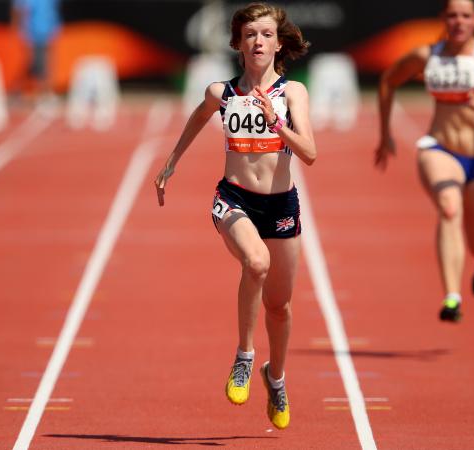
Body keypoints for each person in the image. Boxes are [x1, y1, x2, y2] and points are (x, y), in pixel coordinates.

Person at [154, 2, 315, 429]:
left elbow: (311, 154)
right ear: (238, 43)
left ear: (279, 43)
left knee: (279, 308)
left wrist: (276, 124)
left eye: (265, 34)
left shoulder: (292, 93)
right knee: (256, 263)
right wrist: (172, 161)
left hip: (281, 206)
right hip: (234, 199)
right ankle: (245, 357)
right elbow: (197, 117)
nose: (257, 42)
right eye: (250, 35)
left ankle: (275, 378)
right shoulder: (221, 93)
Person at [374, 0, 474, 322]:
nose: (458, 21)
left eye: (465, 15)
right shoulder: (429, 55)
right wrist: (385, 133)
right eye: (452, 15)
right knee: (448, 206)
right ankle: (452, 297)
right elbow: (388, 81)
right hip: (440, 149)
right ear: (444, 19)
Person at [11, 0, 61, 101]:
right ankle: (20, 90)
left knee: (46, 64)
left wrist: (55, 29)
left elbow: (54, 11)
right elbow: (20, 12)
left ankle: (44, 93)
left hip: (48, 33)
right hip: (32, 34)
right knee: (32, 64)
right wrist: (21, 32)